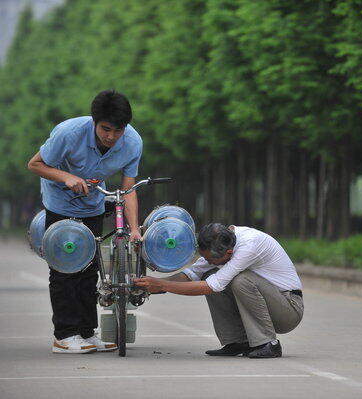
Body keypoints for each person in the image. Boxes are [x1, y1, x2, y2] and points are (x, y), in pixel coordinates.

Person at [27, 90, 143, 353]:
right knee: (66, 266)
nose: (111, 137)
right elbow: (34, 164)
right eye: (105, 129)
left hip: (93, 202)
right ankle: (64, 335)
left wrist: (135, 229)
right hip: (60, 202)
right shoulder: (68, 133)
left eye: (118, 130)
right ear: (94, 122)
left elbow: (128, 189)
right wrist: (66, 177)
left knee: (90, 267)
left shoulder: (134, 142)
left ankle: (87, 333)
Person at [134, 223, 304, 358]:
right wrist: (150, 285)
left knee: (239, 280)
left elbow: (211, 287)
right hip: (271, 304)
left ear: (229, 252)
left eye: (212, 259)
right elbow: (192, 273)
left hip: (288, 309)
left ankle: (268, 344)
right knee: (210, 273)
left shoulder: (249, 246)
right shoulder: (223, 241)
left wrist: (161, 285)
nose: (210, 261)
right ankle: (238, 342)